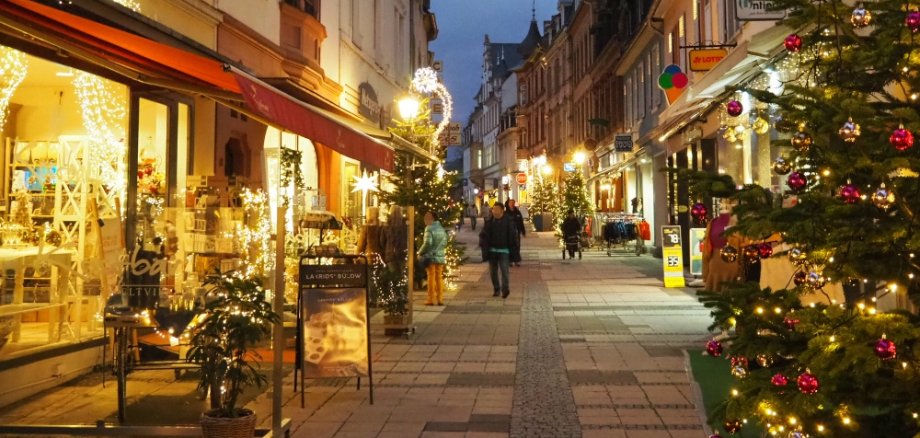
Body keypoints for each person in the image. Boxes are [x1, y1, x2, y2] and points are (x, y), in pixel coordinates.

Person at [479, 203, 519, 298]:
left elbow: (514, 236)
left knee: (504, 271)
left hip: (504, 251)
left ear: (502, 210)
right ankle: (496, 289)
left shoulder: (508, 221)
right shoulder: (489, 221)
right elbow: (483, 235)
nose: (494, 211)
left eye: (496, 209)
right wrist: (483, 244)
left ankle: (505, 289)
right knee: (493, 272)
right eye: (493, 209)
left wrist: (514, 249)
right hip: (492, 250)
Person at [417, 211, 448, 305]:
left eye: (427, 218)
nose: (425, 220)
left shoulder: (429, 229)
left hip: (430, 256)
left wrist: (420, 252)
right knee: (439, 277)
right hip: (440, 256)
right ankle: (440, 299)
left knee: (431, 277)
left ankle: (430, 299)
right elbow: (445, 242)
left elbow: (428, 243)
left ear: (433, 219)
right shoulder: (441, 229)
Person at [504, 199, 526, 266]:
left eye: (513, 203)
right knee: (509, 246)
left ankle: (516, 260)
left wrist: (523, 231)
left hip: (516, 232)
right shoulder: (506, 213)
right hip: (508, 233)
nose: (512, 204)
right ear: (508, 204)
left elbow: (521, 222)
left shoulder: (517, 212)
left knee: (517, 246)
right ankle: (510, 261)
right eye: (510, 203)